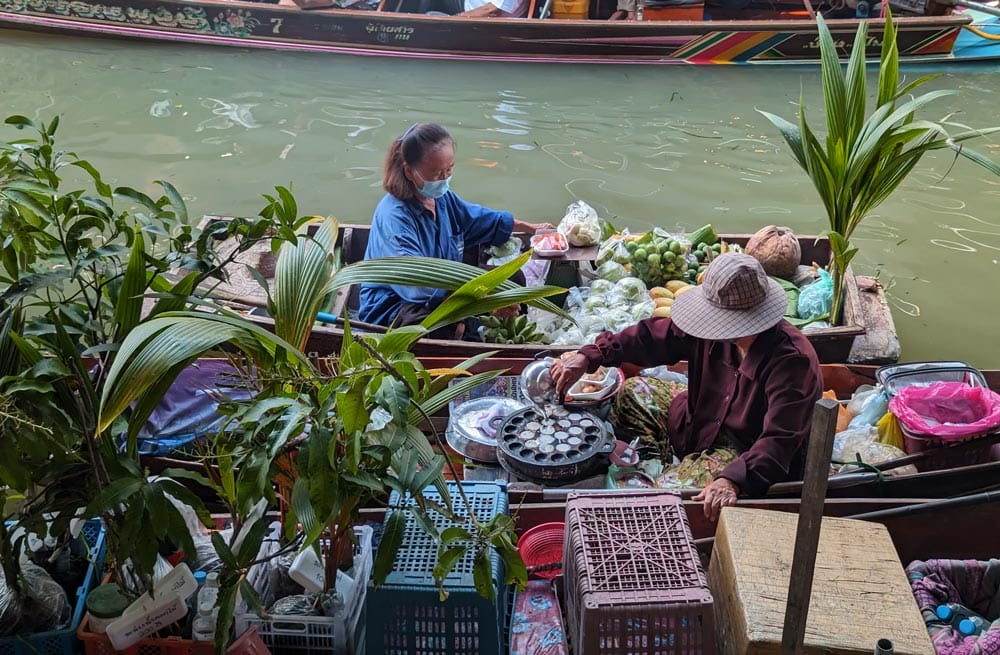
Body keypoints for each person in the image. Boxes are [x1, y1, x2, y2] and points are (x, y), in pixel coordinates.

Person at [551, 252, 822, 520]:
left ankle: (673, 475)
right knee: (633, 392)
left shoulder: (793, 362)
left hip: (744, 452)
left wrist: (732, 481)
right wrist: (589, 356)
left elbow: (779, 441)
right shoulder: (710, 329)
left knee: (664, 497)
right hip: (699, 419)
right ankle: (663, 461)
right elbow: (654, 338)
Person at [359, 122, 550, 336]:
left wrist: (531, 228)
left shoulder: (440, 198)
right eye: (436, 173)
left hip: (445, 287)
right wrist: (484, 300)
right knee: (449, 328)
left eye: (449, 169)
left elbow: (479, 219)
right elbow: (417, 285)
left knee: (513, 281)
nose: (444, 178)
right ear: (410, 172)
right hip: (396, 304)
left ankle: (506, 332)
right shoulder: (394, 218)